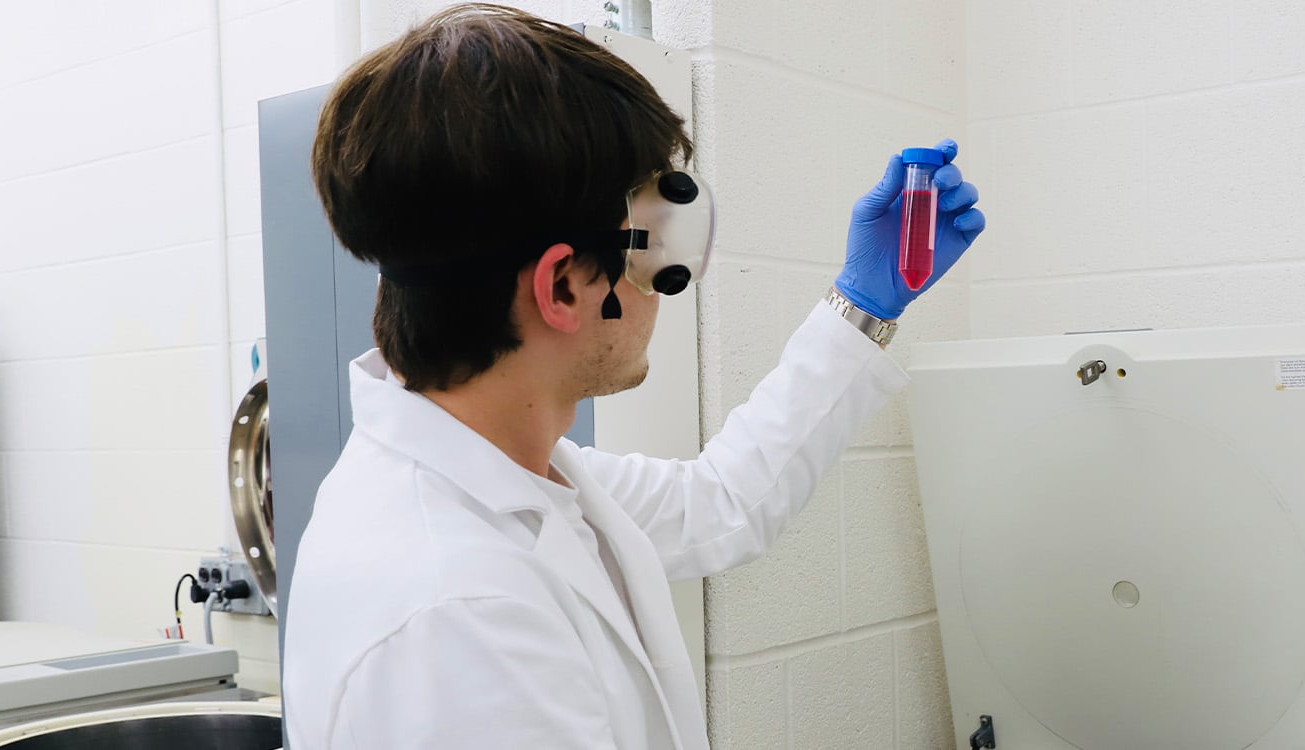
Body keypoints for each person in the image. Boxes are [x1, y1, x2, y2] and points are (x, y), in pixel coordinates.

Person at [280, 3, 984, 749]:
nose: (663, 286)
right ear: (561, 288)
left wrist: (861, 305)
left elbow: (721, 503)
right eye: (654, 251)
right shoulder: (457, 616)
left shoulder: (519, 477)